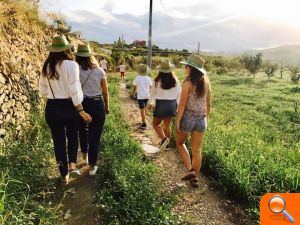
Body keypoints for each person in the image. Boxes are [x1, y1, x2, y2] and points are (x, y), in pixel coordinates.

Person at [39, 35, 92, 185]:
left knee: (58, 141)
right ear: (66, 50)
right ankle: (72, 165)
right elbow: (74, 89)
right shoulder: (71, 65)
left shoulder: (46, 66)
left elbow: (42, 91)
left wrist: (55, 89)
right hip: (69, 107)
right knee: (73, 135)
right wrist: (80, 109)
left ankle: (64, 176)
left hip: (52, 107)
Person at [175, 54, 211, 188]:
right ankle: (195, 178)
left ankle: (190, 170)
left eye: (186, 65)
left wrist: (178, 120)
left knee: (179, 143)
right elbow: (208, 103)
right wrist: (205, 117)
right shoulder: (206, 82)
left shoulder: (188, 83)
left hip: (188, 118)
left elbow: (182, 105)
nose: (185, 67)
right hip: (201, 119)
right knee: (197, 150)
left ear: (190, 68)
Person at [75, 43, 110, 176]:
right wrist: (107, 106)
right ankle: (92, 166)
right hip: (97, 105)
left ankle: (84, 155)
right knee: (95, 136)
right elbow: (105, 92)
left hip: (81, 105)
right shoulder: (100, 70)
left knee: (82, 130)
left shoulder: (75, 70)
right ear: (91, 56)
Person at [148, 59, 181, 151]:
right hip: (172, 105)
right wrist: (176, 107)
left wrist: (150, 104)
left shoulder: (156, 81)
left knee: (155, 124)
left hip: (161, 104)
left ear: (160, 70)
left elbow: (152, 95)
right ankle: (167, 145)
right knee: (167, 125)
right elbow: (179, 95)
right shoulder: (176, 82)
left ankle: (164, 140)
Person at [132, 64, 152, 130]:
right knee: (144, 108)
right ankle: (144, 119)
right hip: (147, 95)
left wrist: (133, 93)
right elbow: (151, 87)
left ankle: (144, 123)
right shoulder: (148, 78)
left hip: (141, 96)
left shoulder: (138, 78)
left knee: (142, 110)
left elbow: (134, 86)